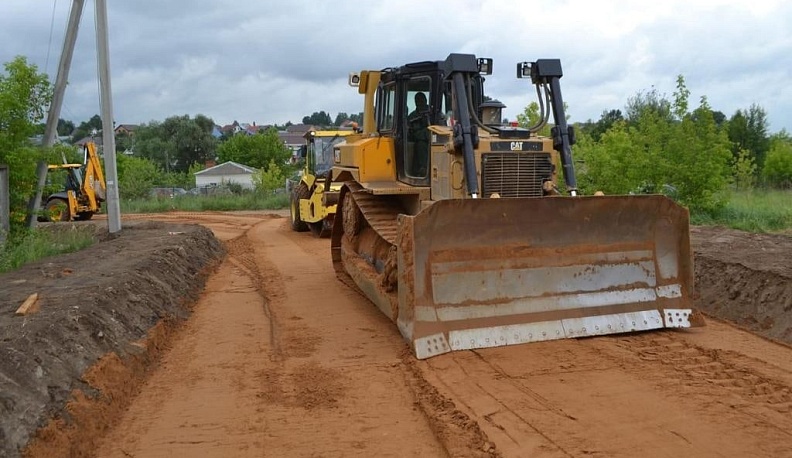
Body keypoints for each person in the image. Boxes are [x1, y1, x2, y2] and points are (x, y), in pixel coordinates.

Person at [407, 92, 430, 176]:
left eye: (421, 100)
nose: (420, 103)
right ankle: (423, 168)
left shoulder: (433, 113)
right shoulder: (412, 116)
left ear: (426, 100)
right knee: (420, 144)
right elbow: (410, 132)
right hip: (419, 142)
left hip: (434, 140)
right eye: (417, 101)